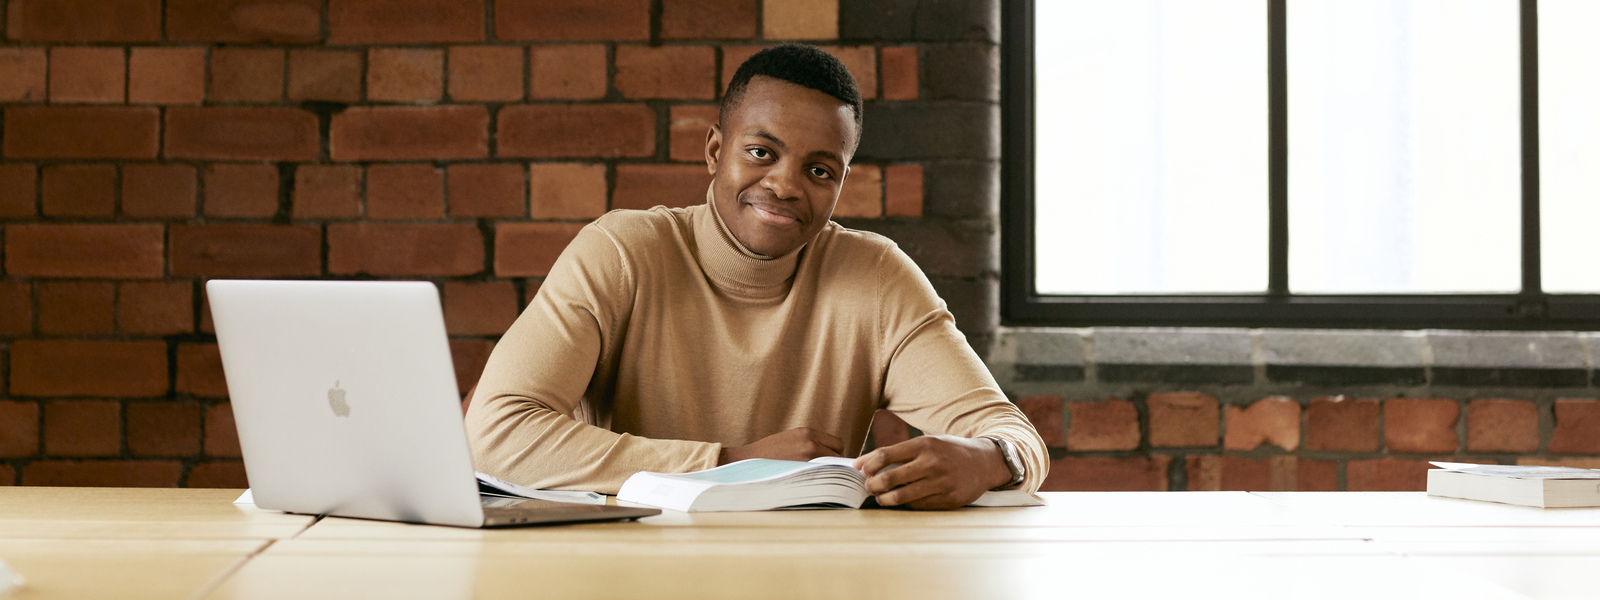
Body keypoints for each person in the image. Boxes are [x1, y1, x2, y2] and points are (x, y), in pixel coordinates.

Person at [464, 43, 1046, 510]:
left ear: (841, 183)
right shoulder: (621, 252)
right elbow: (491, 437)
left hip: (810, 573)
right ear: (715, 150)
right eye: (762, 153)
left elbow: (1012, 437)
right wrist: (733, 463)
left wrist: (988, 459)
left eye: (819, 169)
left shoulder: (876, 278)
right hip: (633, 567)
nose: (787, 185)